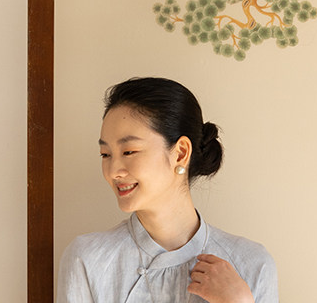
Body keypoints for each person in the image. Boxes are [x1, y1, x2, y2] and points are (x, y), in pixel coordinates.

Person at [57, 77, 278, 303]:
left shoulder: (251, 265)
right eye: (105, 155)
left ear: (180, 153)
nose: (113, 171)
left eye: (129, 151)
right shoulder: (87, 260)